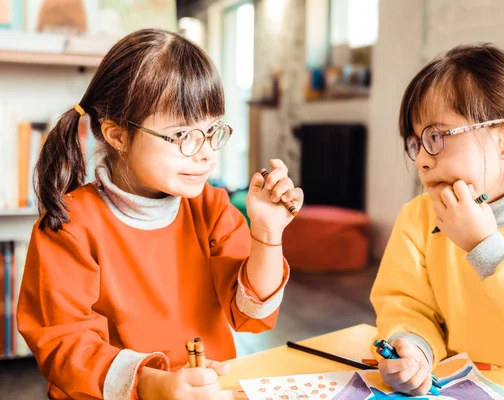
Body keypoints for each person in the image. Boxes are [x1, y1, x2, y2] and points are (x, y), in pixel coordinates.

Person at [17, 29, 303, 400]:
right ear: (117, 136)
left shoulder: (211, 207)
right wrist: (153, 383)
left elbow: (248, 313)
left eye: (212, 129)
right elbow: (63, 346)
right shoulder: (69, 226)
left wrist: (266, 234)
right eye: (183, 134)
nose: (205, 153)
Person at [371, 43, 504, 396]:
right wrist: (412, 350)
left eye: (436, 136)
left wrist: (486, 248)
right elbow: (405, 303)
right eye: (416, 143)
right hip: (453, 386)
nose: (421, 161)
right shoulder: (418, 216)